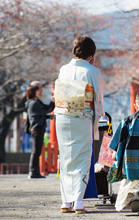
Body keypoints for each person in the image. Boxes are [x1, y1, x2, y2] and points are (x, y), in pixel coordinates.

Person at [54, 36, 104, 214]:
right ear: (92, 55)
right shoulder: (93, 71)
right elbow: (97, 100)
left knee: (66, 158)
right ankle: (78, 202)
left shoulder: (63, 69)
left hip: (61, 115)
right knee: (82, 157)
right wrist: (97, 119)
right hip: (82, 116)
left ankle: (65, 201)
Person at [26, 83, 54, 179]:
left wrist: (49, 116)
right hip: (37, 128)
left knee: (37, 151)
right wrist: (53, 102)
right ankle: (33, 172)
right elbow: (46, 110)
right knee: (36, 151)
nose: (40, 91)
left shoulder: (34, 102)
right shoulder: (34, 103)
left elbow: (41, 114)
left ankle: (35, 171)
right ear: (34, 91)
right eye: (38, 89)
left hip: (37, 127)